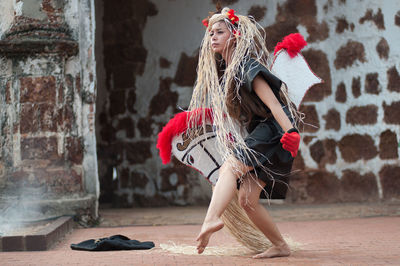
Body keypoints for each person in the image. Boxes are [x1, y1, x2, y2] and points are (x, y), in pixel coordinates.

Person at [188, 7, 302, 259]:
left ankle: (210, 219)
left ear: (235, 35)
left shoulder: (246, 66)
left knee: (230, 167)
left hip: (274, 130)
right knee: (247, 200)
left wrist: (292, 132)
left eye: (219, 32)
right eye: (210, 33)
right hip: (266, 133)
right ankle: (281, 246)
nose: (213, 37)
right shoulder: (228, 72)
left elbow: (273, 103)